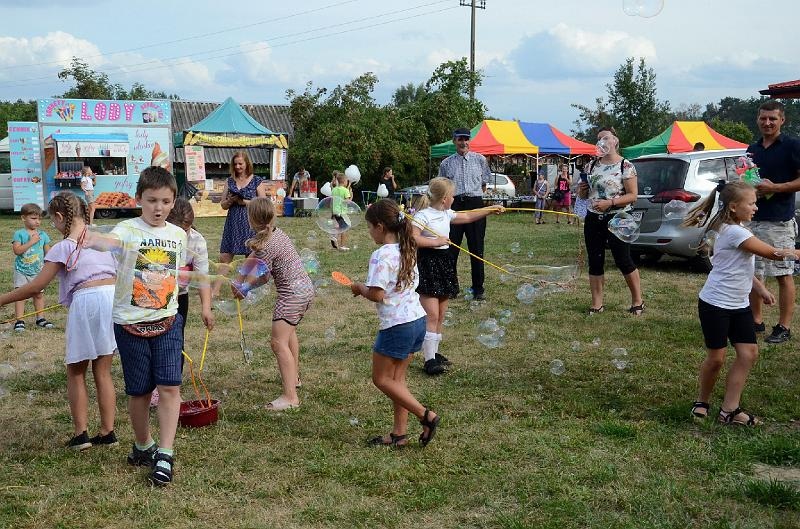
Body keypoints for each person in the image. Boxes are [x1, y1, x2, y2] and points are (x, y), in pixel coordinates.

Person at [86, 166, 187, 487]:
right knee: (140, 391)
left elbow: (176, 274)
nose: (159, 208)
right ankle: (143, 445)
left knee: (170, 387)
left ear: (174, 202)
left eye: (166, 201)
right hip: (130, 324)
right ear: (139, 198)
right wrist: (90, 237)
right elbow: (108, 243)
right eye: (152, 200)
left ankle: (165, 453)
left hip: (168, 321)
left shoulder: (178, 235)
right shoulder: (127, 230)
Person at [0, 192, 117, 450]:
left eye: (53, 221)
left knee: (76, 370)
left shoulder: (63, 247)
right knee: (103, 370)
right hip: (111, 299)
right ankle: (107, 432)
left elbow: (36, 287)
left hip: (87, 301)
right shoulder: (101, 240)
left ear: (60, 217)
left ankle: (81, 435)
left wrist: (2, 299)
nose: (53, 226)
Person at [683, 181, 800, 425]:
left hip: (738, 305)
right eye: (751, 203)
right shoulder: (736, 232)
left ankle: (730, 410)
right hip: (716, 304)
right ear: (734, 207)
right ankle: (702, 401)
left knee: (748, 354)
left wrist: (760, 288)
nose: (756, 207)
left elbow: (738, 264)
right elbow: (772, 253)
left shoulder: (736, 227)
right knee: (716, 359)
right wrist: (796, 252)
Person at [350, 199, 440, 448]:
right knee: (397, 381)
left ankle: (426, 416)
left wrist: (359, 288)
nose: (370, 233)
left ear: (380, 226)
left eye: (370, 228)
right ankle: (399, 434)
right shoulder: (406, 247)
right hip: (417, 321)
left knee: (382, 379)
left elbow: (377, 294)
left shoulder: (381, 255)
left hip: (397, 326)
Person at [412, 177, 504, 375]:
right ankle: (428, 360)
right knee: (432, 315)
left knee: (441, 314)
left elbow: (468, 216)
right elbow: (413, 238)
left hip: (444, 264)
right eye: (452, 196)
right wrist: (435, 242)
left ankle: (434, 352)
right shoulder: (423, 216)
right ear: (445, 198)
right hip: (428, 264)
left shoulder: (447, 213)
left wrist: (490, 209)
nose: (454, 199)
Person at [233, 197, 314, 410]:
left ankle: (290, 397)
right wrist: (239, 278)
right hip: (304, 290)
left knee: (278, 343)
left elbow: (262, 276)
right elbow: (253, 256)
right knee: (288, 334)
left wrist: (244, 287)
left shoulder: (267, 245)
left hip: (291, 296)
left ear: (251, 219)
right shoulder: (276, 233)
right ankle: (293, 378)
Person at [147, 199, 214, 408]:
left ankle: (170, 389)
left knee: (175, 342)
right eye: (179, 230)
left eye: (186, 230)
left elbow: (202, 277)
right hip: (154, 296)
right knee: (152, 340)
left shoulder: (196, 241)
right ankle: (152, 388)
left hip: (179, 298)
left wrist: (206, 308)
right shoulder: (155, 237)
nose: (183, 234)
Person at [746, 100, 800, 344]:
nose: (767, 123)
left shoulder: (792, 145)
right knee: (753, 270)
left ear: (782, 120)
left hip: (779, 221)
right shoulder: (753, 148)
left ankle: (784, 327)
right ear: (757, 119)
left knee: (783, 272)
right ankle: (755, 321)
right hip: (752, 218)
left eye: (772, 119)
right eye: (763, 118)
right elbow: (749, 179)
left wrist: (775, 188)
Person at [577, 126, 644, 316]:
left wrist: (610, 203)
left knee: (623, 259)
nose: (602, 142)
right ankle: (597, 304)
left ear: (615, 141)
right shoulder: (591, 166)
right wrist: (582, 190)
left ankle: (637, 300)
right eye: (599, 139)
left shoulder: (625, 166)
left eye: (606, 138)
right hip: (594, 217)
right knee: (595, 260)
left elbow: (633, 195)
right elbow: (583, 195)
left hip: (619, 217)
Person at [439, 127, 493, 301]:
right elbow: (442, 188)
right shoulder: (446, 163)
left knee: (476, 248)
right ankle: (451, 288)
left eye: (466, 139)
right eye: (460, 139)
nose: (463, 142)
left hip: (475, 204)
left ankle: (478, 289)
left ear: (470, 140)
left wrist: (473, 198)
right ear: (454, 141)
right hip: (454, 205)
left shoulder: (480, 160)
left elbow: (484, 184)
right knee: (451, 248)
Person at [219, 151, 267, 276]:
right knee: (225, 256)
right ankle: (217, 285)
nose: (237, 167)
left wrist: (243, 201)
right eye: (235, 164)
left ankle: (248, 284)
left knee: (250, 256)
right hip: (233, 222)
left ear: (247, 163)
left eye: (240, 164)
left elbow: (264, 204)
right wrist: (231, 200)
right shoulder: (229, 181)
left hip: (251, 222)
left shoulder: (256, 180)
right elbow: (223, 205)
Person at [11, 203, 54, 331]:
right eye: (34, 218)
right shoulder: (19, 234)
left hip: (38, 271)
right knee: (20, 295)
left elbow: (48, 253)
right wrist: (31, 242)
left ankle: (40, 318)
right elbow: (17, 251)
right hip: (22, 270)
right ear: (23, 218)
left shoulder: (43, 235)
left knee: (39, 295)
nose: (37, 222)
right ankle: (19, 320)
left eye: (39, 219)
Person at [331, 171, 352, 251]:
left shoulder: (334, 190)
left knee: (341, 226)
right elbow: (347, 202)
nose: (347, 182)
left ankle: (334, 236)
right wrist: (351, 197)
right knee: (344, 228)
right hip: (342, 212)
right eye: (347, 181)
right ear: (344, 181)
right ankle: (342, 245)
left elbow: (332, 201)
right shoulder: (345, 190)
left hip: (335, 211)